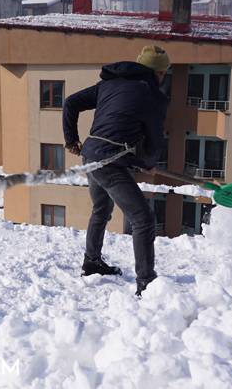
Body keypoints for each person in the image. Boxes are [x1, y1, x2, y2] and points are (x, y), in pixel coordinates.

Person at [62, 45, 170, 296]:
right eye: (164, 74)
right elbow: (154, 136)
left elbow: (70, 103)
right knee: (143, 219)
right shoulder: (153, 95)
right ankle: (146, 283)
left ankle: (92, 261)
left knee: (101, 209)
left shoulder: (109, 85)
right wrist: (149, 161)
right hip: (109, 161)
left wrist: (71, 140)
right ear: (160, 73)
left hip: (91, 154)